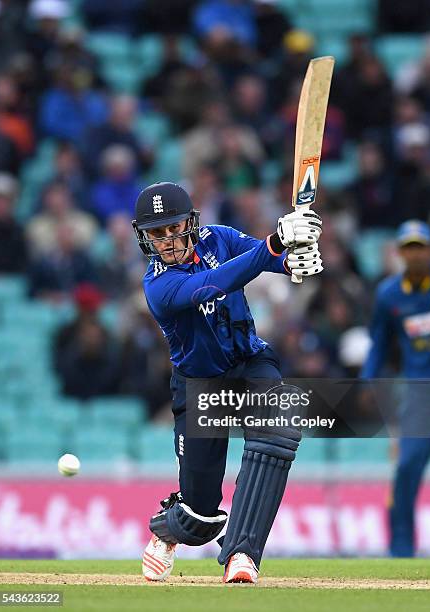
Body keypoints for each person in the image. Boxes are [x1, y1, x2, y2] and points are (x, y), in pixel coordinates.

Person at [132, 181, 323, 583]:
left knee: (278, 427)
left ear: (190, 222)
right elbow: (216, 284)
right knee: (201, 513)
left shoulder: (218, 238)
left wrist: (293, 259)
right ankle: (167, 530)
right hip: (200, 385)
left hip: (250, 361)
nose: (167, 240)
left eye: (174, 228)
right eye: (157, 233)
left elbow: (262, 258)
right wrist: (276, 243)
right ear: (145, 237)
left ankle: (242, 553)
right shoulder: (158, 287)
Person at [361, 220, 430, 557]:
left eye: (420, 247)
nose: (415, 254)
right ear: (401, 254)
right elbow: (379, 343)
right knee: (406, 468)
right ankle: (401, 552)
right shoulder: (390, 295)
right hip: (420, 392)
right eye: (409, 248)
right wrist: (366, 380)